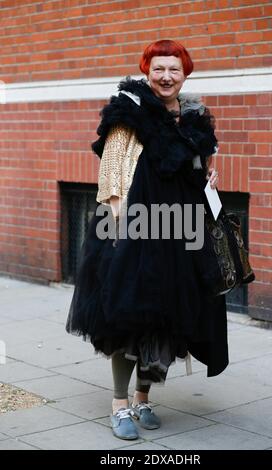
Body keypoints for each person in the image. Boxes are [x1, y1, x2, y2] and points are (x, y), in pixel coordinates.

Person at [66, 39, 228, 441]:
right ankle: (120, 405)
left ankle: (143, 396)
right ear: (147, 71)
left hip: (181, 229)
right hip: (134, 228)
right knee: (127, 314)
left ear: (185, 73)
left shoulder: (194, 117)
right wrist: (119, 230)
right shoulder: (129, 112)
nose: (166, 76)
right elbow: (111, 173)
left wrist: (208, 176)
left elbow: (198, 165)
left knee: (169, 316)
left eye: (174, 69)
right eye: (159, 69)